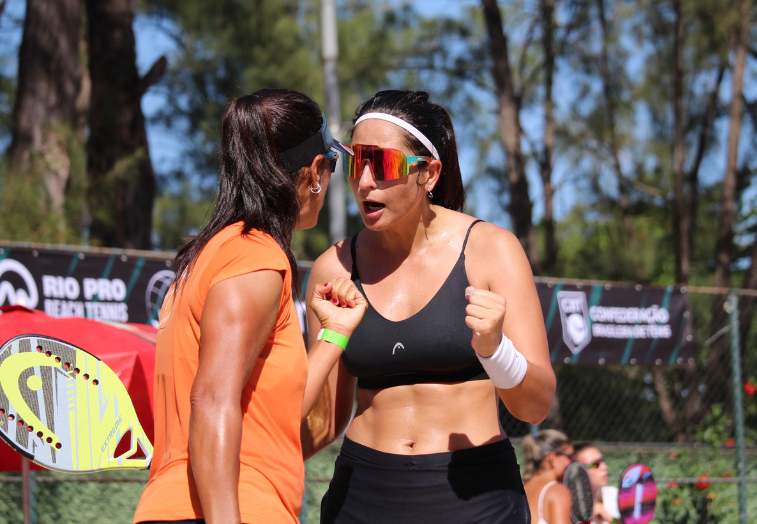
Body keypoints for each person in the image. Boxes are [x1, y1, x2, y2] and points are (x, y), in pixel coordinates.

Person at [304, 89, 556, 523]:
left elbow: (535, 406)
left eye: (381, 164)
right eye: (354, 161)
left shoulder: (492, 250)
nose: (364, 182)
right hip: (362, 494)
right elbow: (325, 421)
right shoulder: (334, 265)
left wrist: (496, 350)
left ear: (430, 173)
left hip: (473, 496)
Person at [134, 88, 366, 524]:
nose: (333, 175)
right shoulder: (254, 257)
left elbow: (276, 414)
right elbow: (212, 399)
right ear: (314, 171)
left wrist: (333, 336)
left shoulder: (211, 257)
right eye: (332, 164)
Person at [522, 430, 575, 524]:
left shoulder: (523, 486)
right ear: (552, 458)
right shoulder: (556, 491)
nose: (572, 462)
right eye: (570, 457)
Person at [574, 443, 620, 524]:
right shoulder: (568, 506)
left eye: (602, 460)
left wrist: (613, 520)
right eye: (595, 464)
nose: (604, 467)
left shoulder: (616, 495)